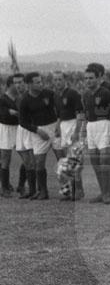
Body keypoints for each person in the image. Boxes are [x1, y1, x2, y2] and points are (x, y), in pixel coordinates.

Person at [81, 65, 110, 204]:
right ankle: (105, 192)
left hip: (105, 126)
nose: (88, 81)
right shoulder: (85, 95)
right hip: (91, 128)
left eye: (91, 78)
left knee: (104, 160)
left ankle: (108, 194)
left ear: (98, 78)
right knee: (94, 161)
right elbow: (86, 116)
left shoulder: (106, 93)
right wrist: (83, 131)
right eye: (86, 78)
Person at [18, 72, 59, 200]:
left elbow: (60, 109)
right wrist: (37, 130)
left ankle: (68, 191)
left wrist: (59, 124)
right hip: (38, 131)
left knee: (62, 159)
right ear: (29, 84)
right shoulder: (24, 100)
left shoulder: (49, 94)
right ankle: (43, 192)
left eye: (41, 81)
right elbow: (23, 122)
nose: (41, 84)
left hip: (55, 128)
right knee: (39, 163)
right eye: (38, 82)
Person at [51, 71, 84, 200]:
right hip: (63, 127)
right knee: (65, 162)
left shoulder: (72, 93)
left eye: (60, 79)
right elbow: (59, 114)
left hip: (73, 125)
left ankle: (78, 191)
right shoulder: (56, 96)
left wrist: (77, 132)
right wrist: (58, 126)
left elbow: (80, 114)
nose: (57, 82)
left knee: (74, 161)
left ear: (65, 80)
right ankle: (68, 192)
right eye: (55, 80)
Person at [0, 76, 20, 196]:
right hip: (5, 129)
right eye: (16, 83)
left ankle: (20, 185)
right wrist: (10, 112)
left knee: (27, 155)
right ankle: (5, 187)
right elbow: (3, 114)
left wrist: (14, 113)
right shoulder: (3, 99)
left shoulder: (19, 98)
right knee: (5, 159)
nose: (19, 85)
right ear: (10, 85)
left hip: (18, 128)